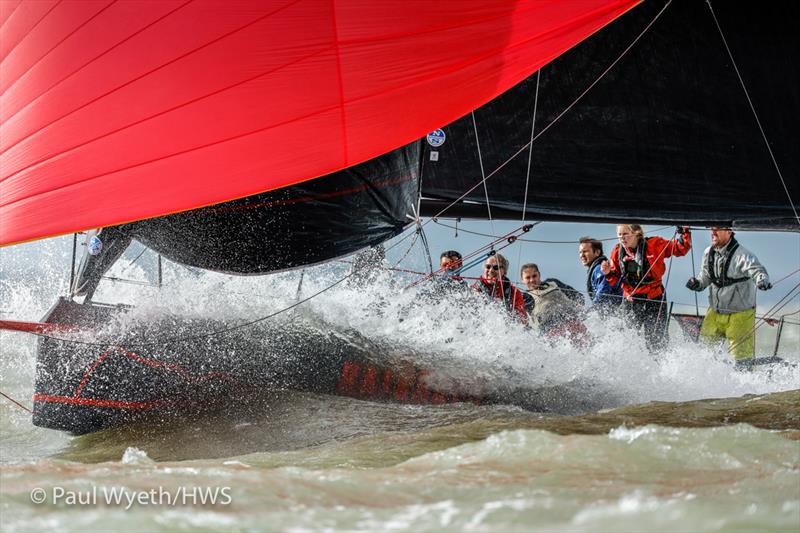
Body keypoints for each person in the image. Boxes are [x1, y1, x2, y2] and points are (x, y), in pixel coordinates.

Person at [601, 224, 692, 351]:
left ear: (637, 233)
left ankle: (660, 365)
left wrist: (685, 231)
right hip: (631, 300)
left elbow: (681, 248)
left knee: (656, 340)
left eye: (625, 234)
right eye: (620, 235)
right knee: (627, 338)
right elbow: (614, 280)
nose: (622, 238)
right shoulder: (617, 252)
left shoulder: (655, 244)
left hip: (654, 298)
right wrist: (607, 273)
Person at [686, 227, 771, 362]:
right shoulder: (708, 252)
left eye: (718, 229)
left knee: (741, 359)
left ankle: (747, 381)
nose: (713, 232)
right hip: (715, 313)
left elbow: (757, 270)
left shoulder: (743, 254)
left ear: (729, 232)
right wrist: (698, 283)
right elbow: (706, 276)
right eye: (712, 229)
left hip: (740, 315)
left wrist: (762, 281)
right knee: (703, 354)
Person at [520, 263, 588, 341]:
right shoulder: (524, 297)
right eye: (528, 278)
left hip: (571, 320)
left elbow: (578, 296)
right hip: (550, 329)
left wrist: (579, 305)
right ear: (522, 280)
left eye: (534, 276)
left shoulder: (553, 282)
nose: (532, 280)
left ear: (539, 275)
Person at [471, 253, 527, 324]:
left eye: (496, 267)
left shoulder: (514, 292)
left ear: (504, 271)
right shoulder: (474, 289)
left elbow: (522, 321)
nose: (491, 270)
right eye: (488, 267)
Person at [578, 236, 622, 312]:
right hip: (613, 312)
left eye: (585, 251)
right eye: (580, 252)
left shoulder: (599, 269)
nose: (582, 255)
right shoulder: (597, 268)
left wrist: (591, 312)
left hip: (614, 313)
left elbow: (604, 291)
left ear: (597, 252)